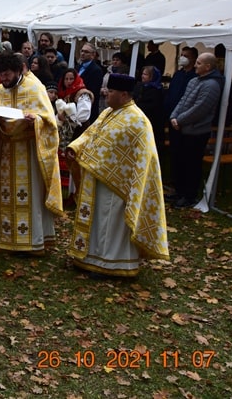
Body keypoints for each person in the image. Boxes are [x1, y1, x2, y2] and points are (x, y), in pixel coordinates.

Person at [66, 74, 169, 277]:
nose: (105, 93)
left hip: (118, 186)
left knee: (110, 223)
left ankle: (111, 264)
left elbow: (143, 159)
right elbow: (91, 134)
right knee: (97, 221)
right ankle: (89, 257)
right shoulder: (108, 113)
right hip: (97, 178)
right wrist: (75, 148)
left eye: (110, 91)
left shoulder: (139, 121)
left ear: (124, 94)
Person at [0, 53, 63, 254]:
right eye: (1, 75)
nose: (4, 79)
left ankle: (34, 240)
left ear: (19, 70)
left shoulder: (35, 88)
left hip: (29, 153)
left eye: (8, 74)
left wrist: (35, 120)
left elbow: (49, 122)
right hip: (6, 152)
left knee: (30, 196)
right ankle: (7, 238)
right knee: (7, 195)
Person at [168, 52, 223, 208]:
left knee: (191, 164)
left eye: (199, 63)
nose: (196, 65)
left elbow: (200, 109)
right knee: (180, 161)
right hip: (182, 128)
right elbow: (183, 100)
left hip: (196, 131)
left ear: (208, 66)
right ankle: (179, 191)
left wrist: (180, 120)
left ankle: (189, 195)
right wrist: (174, 116)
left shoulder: (212, 85)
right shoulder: (193, 81)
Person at [134, 66, 165, 150]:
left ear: (152, 76)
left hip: (152, 121)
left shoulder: (157, 90)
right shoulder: (140, 86)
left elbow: (152, 106)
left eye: (145, 74)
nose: (142, 76)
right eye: (142, 74)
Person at [76, 41, 104, 124]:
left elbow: (93, 90)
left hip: (88, 107)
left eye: (86, 52)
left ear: (93, 55)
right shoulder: (78, 67)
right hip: (77, 105)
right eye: (82, 51)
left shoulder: (96, 70)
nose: (83, 53)